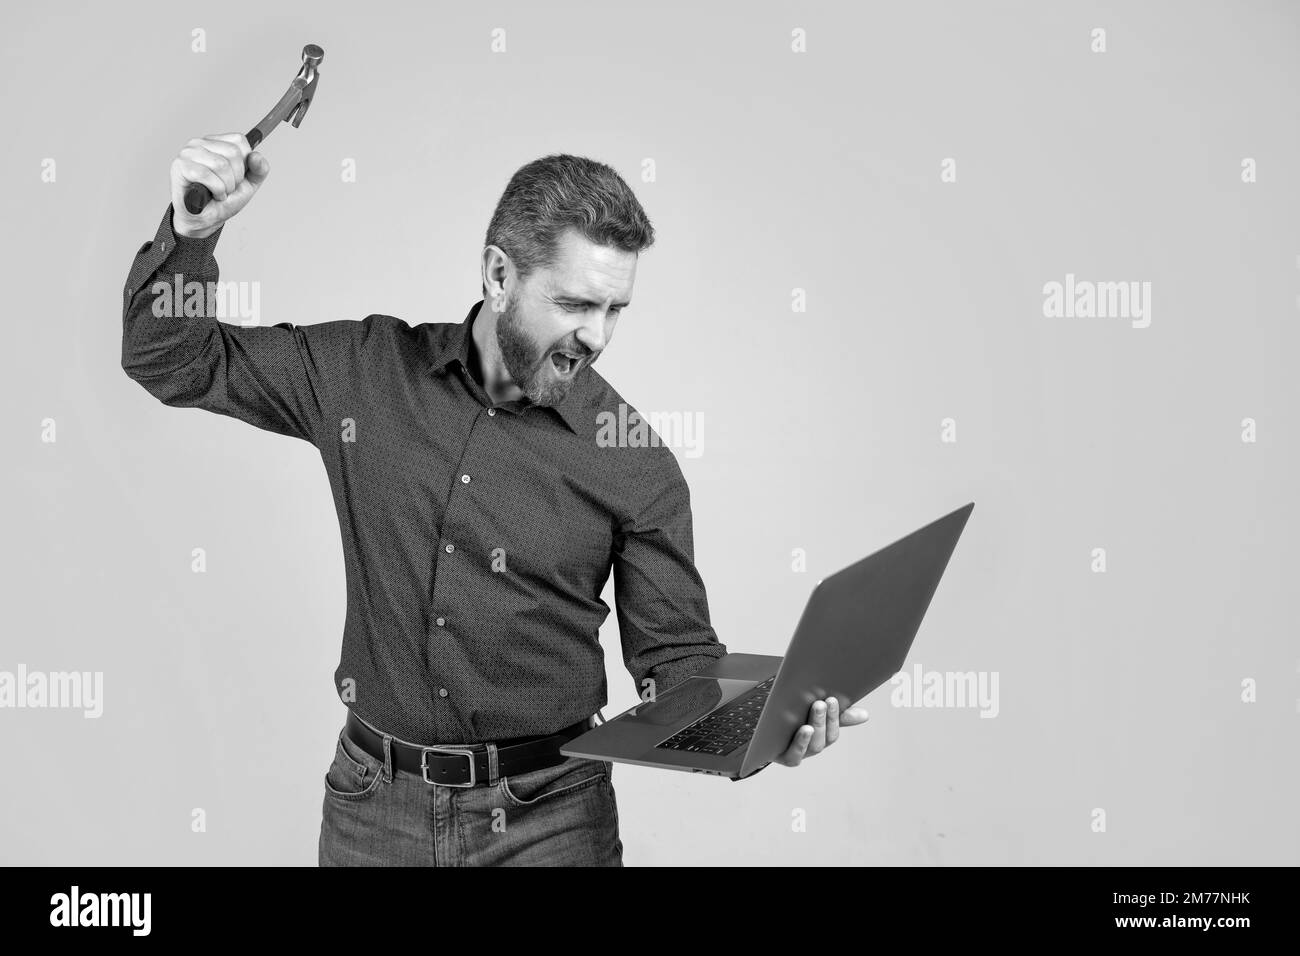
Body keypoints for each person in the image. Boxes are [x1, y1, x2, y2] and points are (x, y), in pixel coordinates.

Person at [120, 134, 870, 866]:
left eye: (615, 310)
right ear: (499, 274)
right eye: (575, 303)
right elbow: (171, 358)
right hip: (372, 810)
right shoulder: (363, 374)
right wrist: (193, 236)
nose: (597, 335)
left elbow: (674, 660)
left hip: (553, 821)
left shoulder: (635, 460)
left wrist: (761, 726)